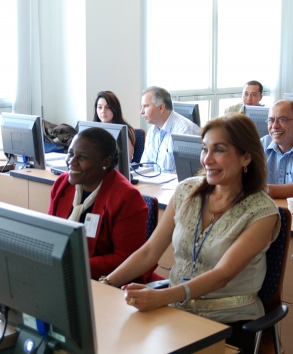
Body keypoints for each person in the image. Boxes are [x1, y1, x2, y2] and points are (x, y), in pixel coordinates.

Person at [100, 114, 280, 353]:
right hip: (176, 309)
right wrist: (106, 284)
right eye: (205, 149)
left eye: (219, 150)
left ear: (246, 156)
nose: (207, 159)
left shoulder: (262, 211)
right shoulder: (186, 191)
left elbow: (223, 274)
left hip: (229, 322)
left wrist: (162, 298)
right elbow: (149, 252)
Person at [48, 127, 153, 281]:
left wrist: (73, 265)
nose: (72, 161)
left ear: (106, 162)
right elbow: (51, 234)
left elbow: (126, 259)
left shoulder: (126, 198)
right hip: (64, 272)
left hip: (106, 282)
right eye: (70, 153)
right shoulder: (62, 184)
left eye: (82, 157)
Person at [140, 86, 200, 173]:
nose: (141, 111)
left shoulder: (184, 130)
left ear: (161, 108)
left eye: (146, 106)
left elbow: (185, 172)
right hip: (154, 183)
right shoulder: (152, 131)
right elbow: (145, 165)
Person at [93, 90, 136, 161]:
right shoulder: (92, 130)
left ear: (115, 109)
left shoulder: (126, 130)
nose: (103, 111)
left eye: (108, 107)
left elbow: (125, 160)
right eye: (100, 107)